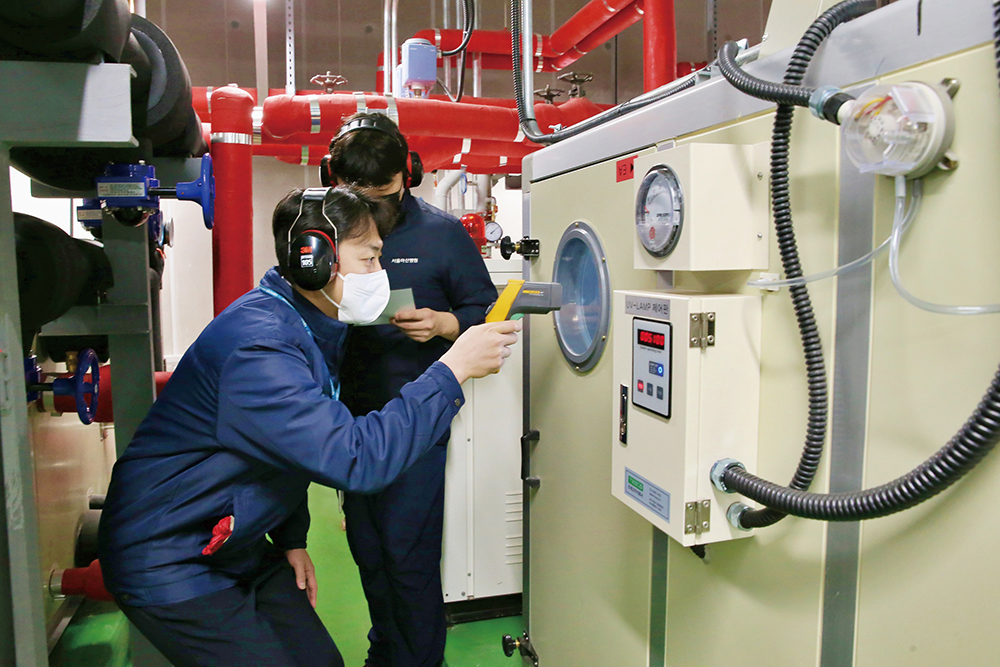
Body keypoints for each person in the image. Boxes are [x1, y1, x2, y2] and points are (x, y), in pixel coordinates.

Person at [96, 186, 519, 667]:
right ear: (316, 260)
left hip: (233, 539)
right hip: (169, 552)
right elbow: (356, 458)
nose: (380, 276)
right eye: (371, 259)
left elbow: (285, 450)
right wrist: (452, 369)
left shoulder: (308, 324)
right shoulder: (261, 347)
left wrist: (292, 539)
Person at [326, 112, 498, 667]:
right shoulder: (327, 230)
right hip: (349, 420)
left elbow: (486, 308)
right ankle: (387, 652)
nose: (374, 215)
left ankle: (422, 661)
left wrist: (446, 325)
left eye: (384, 198)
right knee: (370, 552)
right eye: (362, 199)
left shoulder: (441, 234)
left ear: (410, 175)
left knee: (408, 553)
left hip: (419, 416)